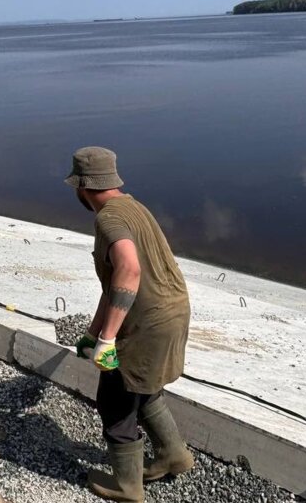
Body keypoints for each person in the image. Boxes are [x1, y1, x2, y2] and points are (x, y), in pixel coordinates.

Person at [67, 146, 194, 503]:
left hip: (145, 327)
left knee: (115, 399)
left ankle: (128, 488)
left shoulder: (107, 219)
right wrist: (92, 333)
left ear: (82, 186)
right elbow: (113, 287)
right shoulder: (134, 207)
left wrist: (107, 340)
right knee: (144, 384)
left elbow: (129, 269)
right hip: (174, 313)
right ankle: (175, 456)